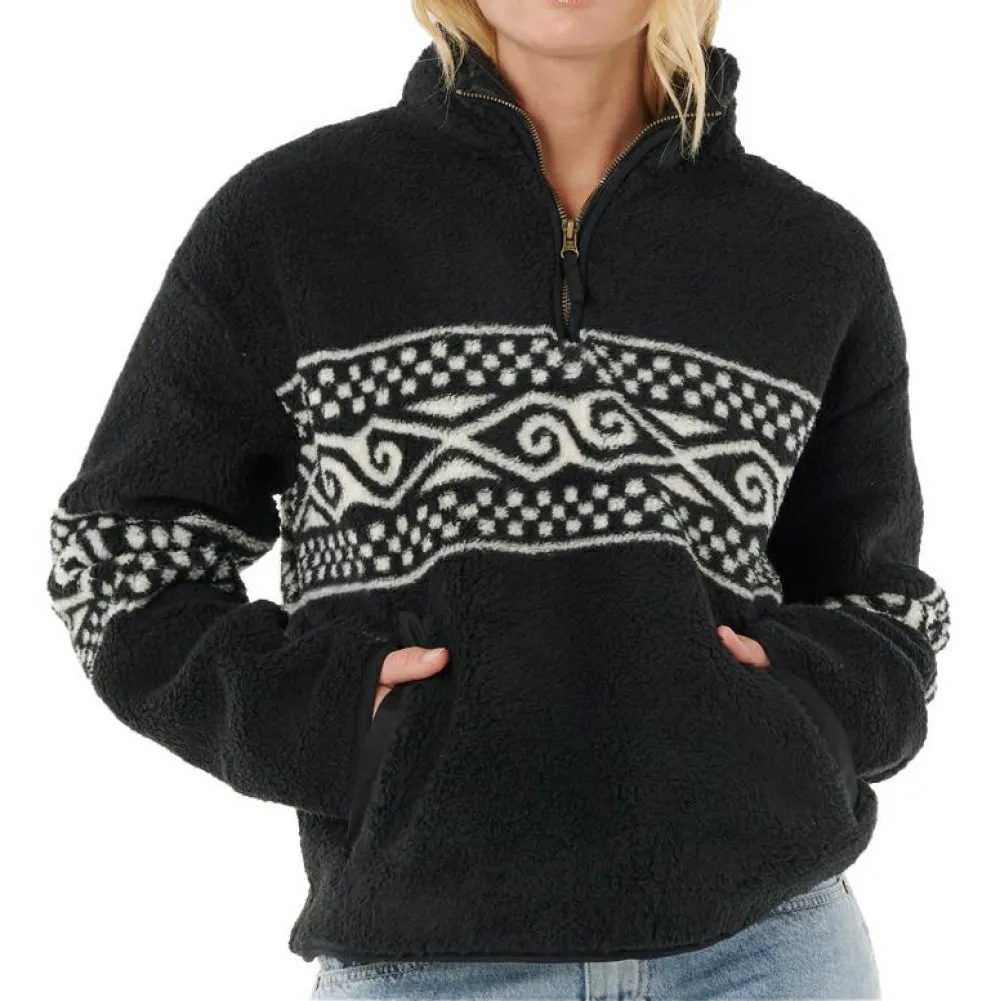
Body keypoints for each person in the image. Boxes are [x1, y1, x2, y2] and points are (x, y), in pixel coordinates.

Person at [45, 1, 952, 998]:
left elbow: (881, 604)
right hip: (432, 963)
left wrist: (810, 707)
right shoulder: (293, 222)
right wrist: (332, 718)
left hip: (768, 953)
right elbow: (120, 553)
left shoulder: (811, 256)